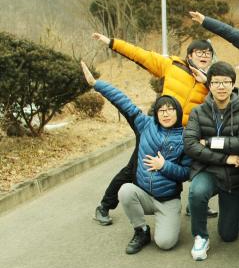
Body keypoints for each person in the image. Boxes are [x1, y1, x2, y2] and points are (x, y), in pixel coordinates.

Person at [90, 33, 217, 225]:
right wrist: (111, 42)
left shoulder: (211, 82)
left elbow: (224, 99)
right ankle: (104, 206)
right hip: (157, 128)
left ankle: (196, 204)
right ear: (189, 55)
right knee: (134, 167)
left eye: (208, 53)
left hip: (185, 134)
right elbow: (141, 55)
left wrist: (207, 82)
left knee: (197, 167)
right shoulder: (174, 65)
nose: (204, 56)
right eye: (199, 52)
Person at [81, 61, 191, 254]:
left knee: (165, 243)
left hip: (168, 199)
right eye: (161, 110)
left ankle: (167, 220)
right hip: (144, 195)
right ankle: (141, 230)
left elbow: (186, 173)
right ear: (156, 114)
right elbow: (123, 101)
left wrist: (164, 166)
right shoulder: (145, 125)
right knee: (125, 190)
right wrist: (96, 84)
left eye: (170, 109)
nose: (166, 114)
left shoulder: (185, 138)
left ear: (178, 112)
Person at [183, 61, 239, 261]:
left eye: (226, 82)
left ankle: (231, 218)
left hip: (234, 175)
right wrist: (225, 158)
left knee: (228, 235)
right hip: (207, 169)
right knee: (197, 192)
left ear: (233, 84)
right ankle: (200, 236)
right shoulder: (198, 112)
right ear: (209, 85)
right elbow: (190, 145)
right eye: (216, 82)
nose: (221, 87)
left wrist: (209, 142)